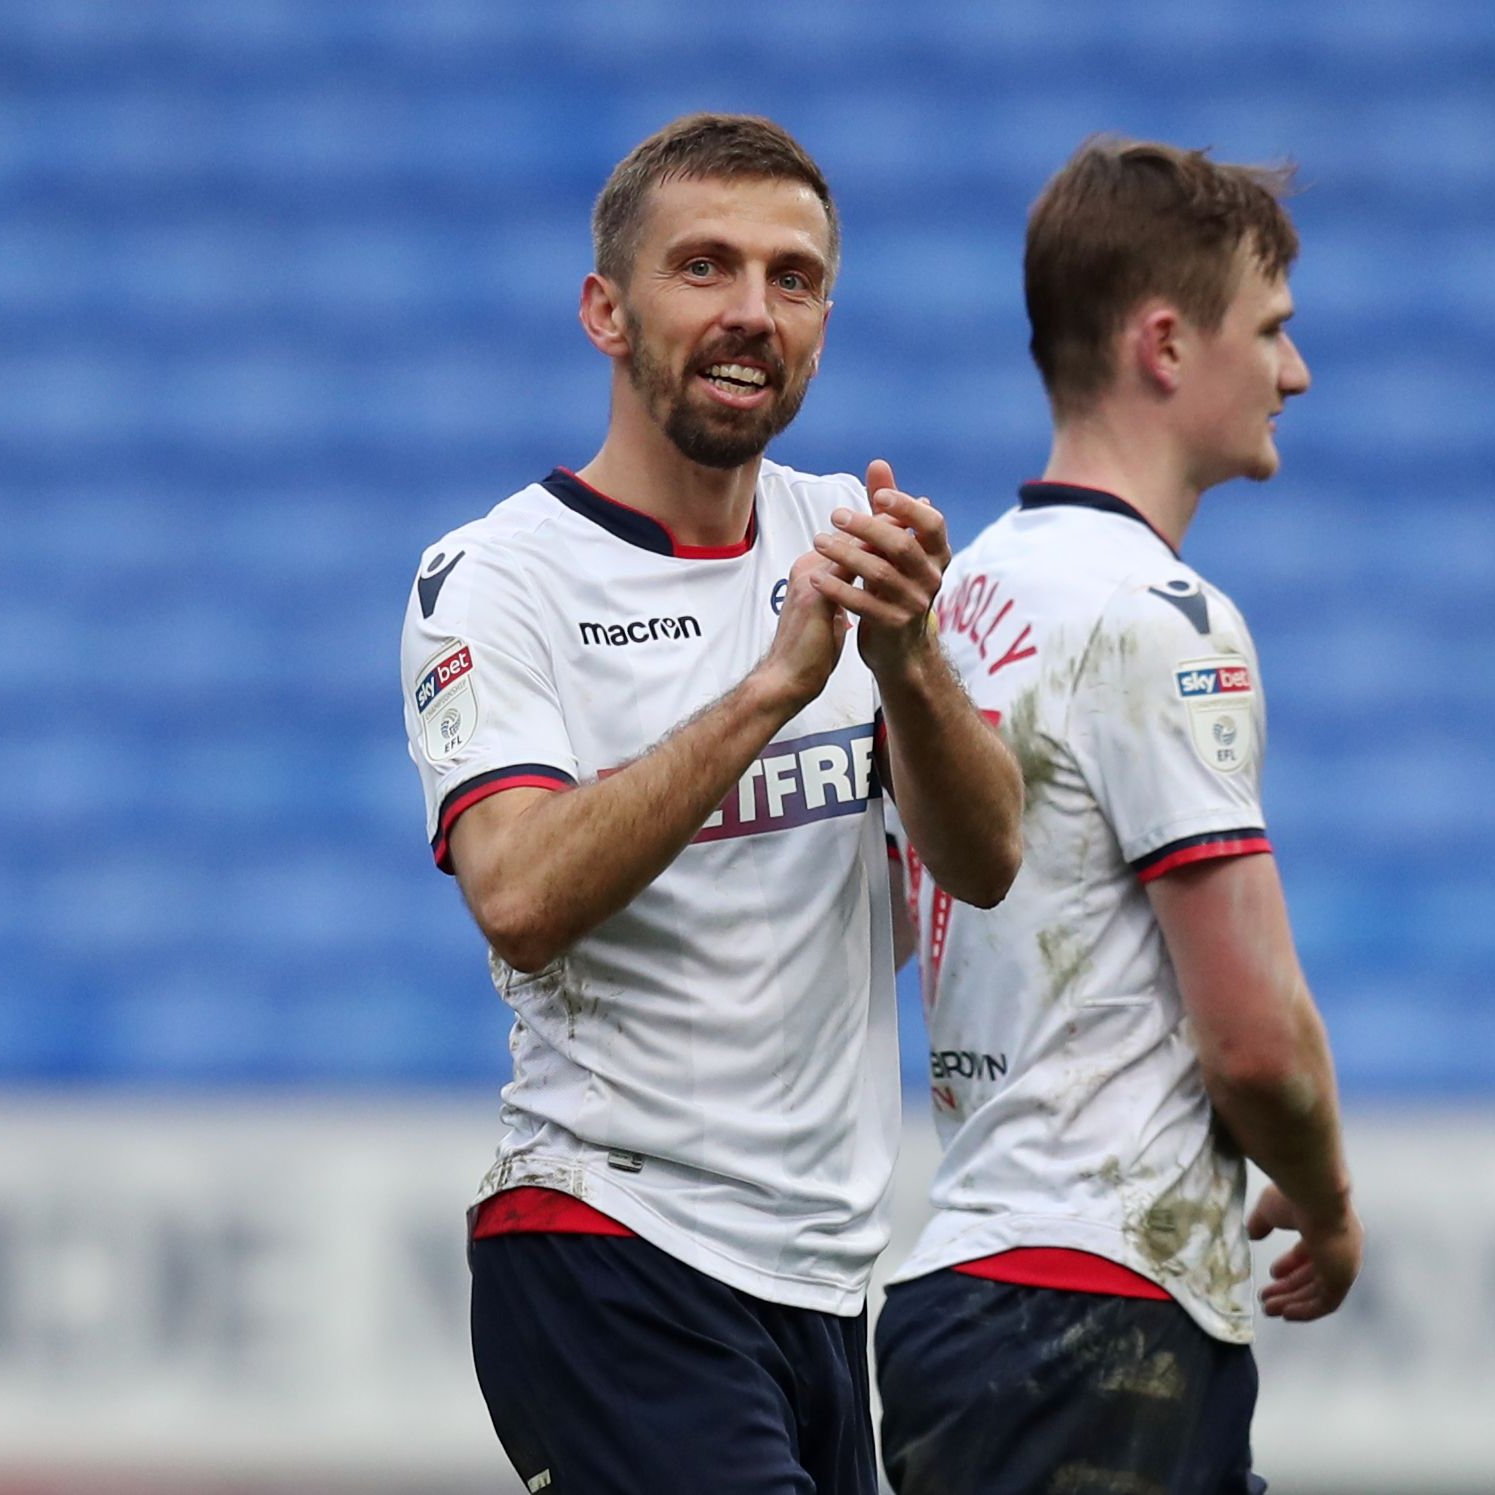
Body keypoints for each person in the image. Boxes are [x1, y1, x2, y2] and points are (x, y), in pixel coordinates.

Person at [399, 113, 1023, 1494]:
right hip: (611, 1241)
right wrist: (769, 691)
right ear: (605, 312)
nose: (752, 313)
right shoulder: (500, 578)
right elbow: (518, 897)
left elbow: (984, 863)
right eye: (706, 267)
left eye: (792, 280)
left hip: (819, 1277)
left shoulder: (847, 543)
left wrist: (911, 661)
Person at [875, 136, 1364, 1494]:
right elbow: (1255, 1039)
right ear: (1164, 343)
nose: (1294, 371)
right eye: (1270, 330)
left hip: (977, 1294)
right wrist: (1324, 1205)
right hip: (1090, 1317)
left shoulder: (967, 593)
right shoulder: (1162, 622)